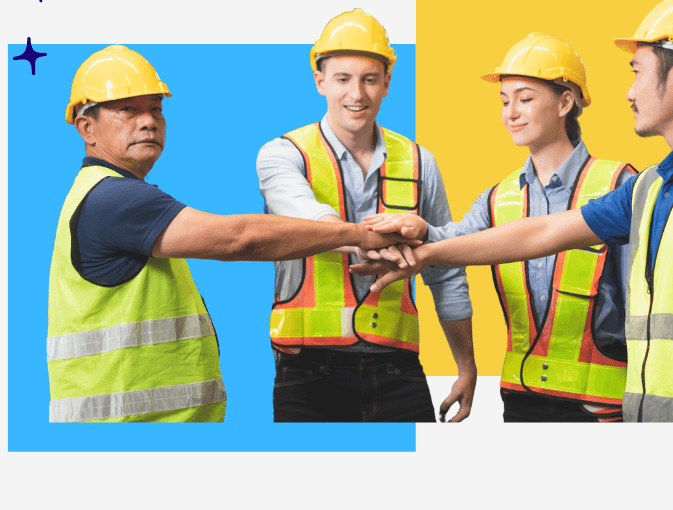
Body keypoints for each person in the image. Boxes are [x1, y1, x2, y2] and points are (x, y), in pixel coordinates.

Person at [355, 0, 673, 422]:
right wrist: (426, 251)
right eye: (505, 100)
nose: (629, 92)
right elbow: (542, 232)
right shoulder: (650, 186)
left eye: (637, 72)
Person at [48, 45, 415, 423]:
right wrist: (359, 235)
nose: (149, 122)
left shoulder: (103, 194)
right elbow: (238, 238)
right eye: (128, 109)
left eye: (155, 108)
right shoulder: (114, 199)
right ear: (86, 128)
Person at [366, 33, 637, 422]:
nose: (511, 113)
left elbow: (644, 299)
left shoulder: (619, 185)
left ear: (565, 103)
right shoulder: (498, 198)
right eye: (505, 101)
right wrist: (422, 229)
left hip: (600, 404)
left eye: (525, 99)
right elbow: (453, 245)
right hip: (520, 399)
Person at [256, 9, 477, 422]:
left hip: (397, 367)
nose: (356, 94)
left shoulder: (420, 162)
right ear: (320, 81)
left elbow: (446, 270)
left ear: (387, 83)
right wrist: (373, 240)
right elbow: (311, 221)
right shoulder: (282, 155)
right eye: (343, 79)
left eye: (369, 79)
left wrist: (466, 366)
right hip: (306, 370)